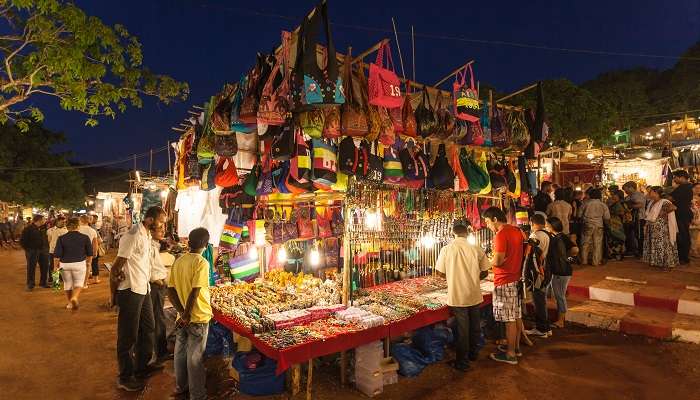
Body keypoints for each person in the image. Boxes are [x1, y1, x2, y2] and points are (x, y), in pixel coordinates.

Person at [111, 206, 168, 392]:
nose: (163, 225)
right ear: (150, 220)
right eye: (161, 221)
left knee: (148, 328)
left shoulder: (146, 235)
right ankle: (125, 376)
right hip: (130, 291)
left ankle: (141, 366)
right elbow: (116, 267)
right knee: (128, 335)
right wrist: (114, 295)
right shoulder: (133, 235)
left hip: (143, 289)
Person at [435, 221, 490, 372]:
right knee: (474, 326)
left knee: (462, 330)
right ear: (467, 233)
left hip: (458, 295)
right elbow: (485, 270)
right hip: (474, 293)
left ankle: (462, 362)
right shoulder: (475, 248)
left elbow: (439, 272)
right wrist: (473, 278)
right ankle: (473, 354)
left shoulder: (447, 249)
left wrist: (453, 276)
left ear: (454, 234)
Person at [168, 228, 213, 400]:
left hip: (182, 317)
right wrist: (187, 314)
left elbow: (170, 290)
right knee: (195, 358)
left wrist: (181, 312)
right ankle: (197, 395)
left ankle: (181, 387)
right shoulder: (201, 263)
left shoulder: (179, 261)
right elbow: (195, 291)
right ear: (206, 245)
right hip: (198, 316)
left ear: (188, 242)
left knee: (180, 353)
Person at [483, 207, 525, 365]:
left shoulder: (501, 234)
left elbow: (499, 260)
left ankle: (510, 354)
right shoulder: (516, 231)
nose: (487, 225)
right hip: (515, 278)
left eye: (487, 221)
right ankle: (516, 348)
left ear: (494, 219)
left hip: (504, 280)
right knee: (514, 316)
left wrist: (486, 261)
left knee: (508, 320)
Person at [53, 217, 93, 310]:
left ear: (67, 227)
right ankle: (74, 297)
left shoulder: (61, 238)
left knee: (67, 283)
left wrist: (55, 266)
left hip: (65, 264)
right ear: (78, 226)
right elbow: (90, 253)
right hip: (79, 263)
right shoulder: (85, 237)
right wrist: (89, 262)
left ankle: (69, 303)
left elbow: (57, 254)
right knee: (79, 283)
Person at [525, 213, 552, 338]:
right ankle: (546, 327)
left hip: (538, 272)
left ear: (532, 223)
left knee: (539, 300)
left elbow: (532, 257)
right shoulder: (547, 234)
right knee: (542, 300)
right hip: (545, 270)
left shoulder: (535, 236)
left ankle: (541, 329)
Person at [546, 217, 575, 328]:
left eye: (547, 224)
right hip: (560, 270)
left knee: (560, 296)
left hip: (561, 271)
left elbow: (575, 249)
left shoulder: (560, 238)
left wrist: (567, 258)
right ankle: (559, 318)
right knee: (559, 295)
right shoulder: (558, 237)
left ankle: (561, 321)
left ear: (552, 226)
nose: (546, 226)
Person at [149, 221, 171, 364]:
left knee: (158, 318)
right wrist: (160, 282)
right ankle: (160, 352)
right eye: (160, 229)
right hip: (156, 286)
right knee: (158, 318)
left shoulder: (155, 245)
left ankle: (159, 351)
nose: (163, 231)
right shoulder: (150, 246)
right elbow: (149, 268)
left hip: (158, 286)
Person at [643, 186, 680, 270]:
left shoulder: (664, 201)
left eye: (651, 192)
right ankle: (657, 262)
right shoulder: (652, 202)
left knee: (663, 245)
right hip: (653, 226)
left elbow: (673, 207)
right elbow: (649, 215)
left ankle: (666, 264)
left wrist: (660, 215)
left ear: (656, 193)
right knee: (655, 244)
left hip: (662, 228)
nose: (649, 194)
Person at [577, 189, 610, 266]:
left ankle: (584, 260)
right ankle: (596, 261)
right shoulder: (603, 205)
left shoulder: (585, 204)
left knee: (585, 243)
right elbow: (607, 217)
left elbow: (579, 215)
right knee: (597, 244)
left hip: (587, 225)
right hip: (599, 225)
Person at [20, 215, 50, 290]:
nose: (45, 220)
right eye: (44, 219)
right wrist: (28, 249)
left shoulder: (43, 228)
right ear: (39, 220)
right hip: (32, 251)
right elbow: (23, 241)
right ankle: (30, 284)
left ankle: (43, 282)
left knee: (45, 266)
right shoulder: (28, 229)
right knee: (31, 267)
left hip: (43, 250)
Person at [671, 170, 693, 265]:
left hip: (681, 214)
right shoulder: (686, 187)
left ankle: (683, 257)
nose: (674, 179)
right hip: (683, 213)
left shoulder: (684, 187)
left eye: (675, 177)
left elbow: (670, 198)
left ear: (681, 177)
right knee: (683, 234)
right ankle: (683, 256)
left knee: (682, 235)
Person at [623, 181, 646, 258]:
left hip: (638, 218)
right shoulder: (630, 195)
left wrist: (629, 206)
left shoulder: (638, 195)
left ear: (631, 188)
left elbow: (640, 205)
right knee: (631, 235)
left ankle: (640, 251)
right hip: (631, 219)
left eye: (626, 189)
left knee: (639, 235)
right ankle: (633, 250)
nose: (625, 191)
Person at [607, 190, 629, 261]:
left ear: (618, 196)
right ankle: (616, 255)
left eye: (614, 195)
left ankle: (617, 256)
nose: (612, 196)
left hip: (617, 224)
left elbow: (622, 213)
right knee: (615, 239)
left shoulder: (619, 204)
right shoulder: (617, 203)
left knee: (617, 239)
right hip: (615, 223)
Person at [78, 215, 99, 286]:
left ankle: (56, 285)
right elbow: (95, 243)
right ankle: (84, 283)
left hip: (77, 251)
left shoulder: (77, 229)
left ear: (80, 220)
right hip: (88, 251)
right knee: (87, 266)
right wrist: (95, 252)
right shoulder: (92, 230)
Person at [47, 216, 68, 284]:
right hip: (53, 251)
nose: (64, 223)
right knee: (53, 266)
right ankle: (55, 280)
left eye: (64, 222)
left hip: (64, 251)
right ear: (57, 221)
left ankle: (60, 279)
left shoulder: (67, 230)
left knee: (62, 265)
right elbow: (49, 240)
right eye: (62, 221)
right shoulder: (50, 230)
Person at [690, 183, 700, 259]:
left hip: (697, 220)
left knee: (695, 237)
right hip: (689, 220)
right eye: (696, 188)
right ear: (692, 188)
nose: (698, 190)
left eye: (699, 188)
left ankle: (694, 251)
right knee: (688, 236)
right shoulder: (688, 197)